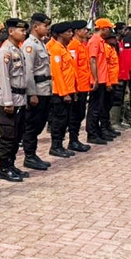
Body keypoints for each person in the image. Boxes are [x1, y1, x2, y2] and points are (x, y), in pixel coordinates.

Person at [0, 18, 30, 182]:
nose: (24, 33)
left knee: (17, 135)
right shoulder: (5, 52)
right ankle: (3, 169)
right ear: (11, 31)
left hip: (19, 99)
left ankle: (11, 164)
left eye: (24, 30)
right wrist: (8, 102)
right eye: (21, 30)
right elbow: (4, 78)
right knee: (8, 137)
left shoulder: (18, 50)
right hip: (8, 101)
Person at [21, 12, 52, 171]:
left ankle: (32, 154)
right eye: (45, 26)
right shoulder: (30, 45)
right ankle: (29, 156)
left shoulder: (41, 43)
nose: (47, 28)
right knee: (32, 125)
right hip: (37, 90)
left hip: (45, 89)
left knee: (40, 123)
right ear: (35, 26)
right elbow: (28, 71)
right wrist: (31, 93)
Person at [46, 22, 77, 158]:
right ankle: (55, 146)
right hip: (59, 92)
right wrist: (64, 93)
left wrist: (73, 90)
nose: (71, 34)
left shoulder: (64, 48)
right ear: (60, 34)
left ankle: (60, 145)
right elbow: (57, 74)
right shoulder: (55, 50)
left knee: (65, 120)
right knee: (59, 120)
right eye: (68, 32)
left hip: (68, 90)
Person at [87, 18, 115, 145]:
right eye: (109, 28)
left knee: (99, 108)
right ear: (103, 29)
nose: (110, 31)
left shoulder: (101, 41)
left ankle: (97, 132)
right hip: (97, 80)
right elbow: (92, 60)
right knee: (94, 108)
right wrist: (95, 78)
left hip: (103, 79)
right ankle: (92, 133)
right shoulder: (94, 41)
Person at [67, 21, 92, 153]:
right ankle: (73, 140)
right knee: (75, 115)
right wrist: (75, 88)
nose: (86, 31)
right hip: (77, 86)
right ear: (77, 31)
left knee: (81, 113)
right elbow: (74, 67)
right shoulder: (73, 46)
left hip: (84, 85)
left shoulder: (82, 45)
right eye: (84, 29)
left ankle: (75, 139)